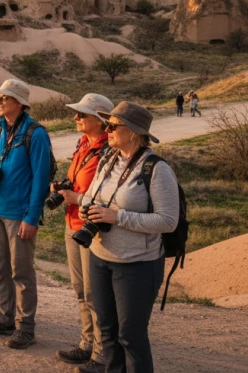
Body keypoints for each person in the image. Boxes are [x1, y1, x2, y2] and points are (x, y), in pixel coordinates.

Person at [76, 102, 179, 373]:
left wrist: (116, 217)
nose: (107, 130)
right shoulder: (109, 159)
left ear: (133, 132)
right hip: (101, 257)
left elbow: (168, 221)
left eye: (112, 126)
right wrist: (86, 205)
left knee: (131, 337)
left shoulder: (156, 169)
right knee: (107, 331)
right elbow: (97, 196)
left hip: (137, 264)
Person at [0, 79, 52, 350]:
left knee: (21, 271)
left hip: (19, 213)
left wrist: (31, 217)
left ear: (19, 103)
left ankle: (25, 326)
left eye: (4, 98)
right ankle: (3, 317)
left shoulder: (36, 134)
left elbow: (41, 179)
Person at [53, 94, 114, 372]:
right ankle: (87, 344)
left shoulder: (108, 150)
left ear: (100, 120)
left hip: (94, 230)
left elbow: (108, 194)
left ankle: (102, 355)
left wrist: (75, 198)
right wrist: (63, 190)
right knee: (80, 289)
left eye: (82, 114)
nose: (76, 118)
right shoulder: (83, 145)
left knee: (95, 293)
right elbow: (78, 182)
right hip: (73, 225)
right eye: (76, 114)